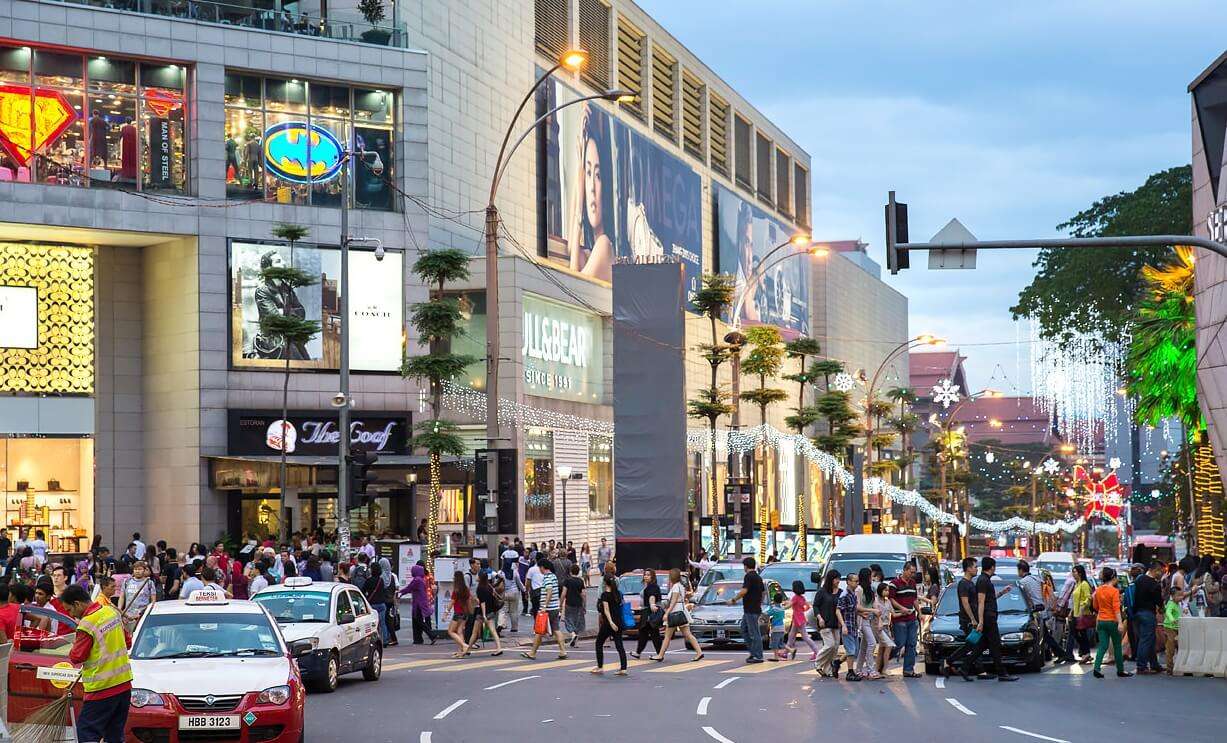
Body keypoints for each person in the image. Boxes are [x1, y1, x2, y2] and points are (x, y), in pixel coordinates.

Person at [60, 583, 132, 743]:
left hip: (102, 690)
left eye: (70, 610)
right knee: (114, 735)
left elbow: (77, 657)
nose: (72, 615)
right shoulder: (111, 612)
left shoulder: (86, 624)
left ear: (77, 603)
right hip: (124, 685)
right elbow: (128, 643)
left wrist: (72, 647)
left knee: (87, 733)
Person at [565, 103, 614, 279]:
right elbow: (572, 249)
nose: (591, 187)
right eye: (587, 173)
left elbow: (573, 285)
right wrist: (579, 169)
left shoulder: (604, 246)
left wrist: (579, 211)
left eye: (598, 175)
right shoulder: (588, 252)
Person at [959, 557, 1019, 682]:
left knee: (982, 645)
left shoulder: (985, 580)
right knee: (995, 644)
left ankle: (964, 667)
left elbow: (988, 600)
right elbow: (981, 602)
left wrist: (1002, 592)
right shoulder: (982, 581)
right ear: (992, 567)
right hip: (988, 618)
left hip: (989, 616)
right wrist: (980, 621)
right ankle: (1002, 673)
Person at [1017, 559, 1072, 663]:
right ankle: (1061, 654)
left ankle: (1061, 654)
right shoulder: (1037, 579)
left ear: (1020, 570)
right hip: (1044, 610)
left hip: (1035, 612)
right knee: (1046, 636)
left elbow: (1025, 598)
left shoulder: (1023, 582)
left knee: (1042, 637)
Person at [652, 567, 704, 662]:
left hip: (675, 612)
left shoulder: (676, 587)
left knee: (668, 636)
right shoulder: (680, 585)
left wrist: (666, 613)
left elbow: (673, 602)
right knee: (688, 634)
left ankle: (660, 655)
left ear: (672, 577)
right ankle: (699, 652)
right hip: (681, 611)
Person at [521, 559, 568, 660]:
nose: (539, 570)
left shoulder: (547, 578)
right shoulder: (554, 576)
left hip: (547, 609)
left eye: (540, 567)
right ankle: (563, 651)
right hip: (555, 607)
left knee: (539, 631)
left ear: (543, 567)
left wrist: (544, 606)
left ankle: (532, 653)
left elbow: (549, 591)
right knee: (556, 629)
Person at [1092, 566, 1132, 679]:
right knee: (1117, 646)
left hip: (1101, 621)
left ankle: (1096, 668)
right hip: (1112, 621)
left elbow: (1095, 606)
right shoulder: (1114, 591)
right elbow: (1116, 609)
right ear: (1113, 577)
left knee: (1102, 646)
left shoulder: (1098, 590)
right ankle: (1120, 670)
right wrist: (1120, 623)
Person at [725, 557, 765, 663]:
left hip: (751, 609)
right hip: (752, 608)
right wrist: (759, 602)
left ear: (746, 566)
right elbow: (763, 592)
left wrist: (733, 600)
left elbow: (744, 591)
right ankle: (753, 652)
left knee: (754, 632)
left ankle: (758, 655)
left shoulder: (748, 576)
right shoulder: (758, 577)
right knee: (744, 629)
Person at [888, 561, 922, 678]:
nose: (912, 574)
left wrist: (920, 612)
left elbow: (914, 599)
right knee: (899, 643)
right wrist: (902, 609)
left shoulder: (912, 583)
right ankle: (884, 660)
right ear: (905, 570)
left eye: (914, 572)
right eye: (911, 572)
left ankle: (908, 670)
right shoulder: (894, 583)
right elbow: (891, 599)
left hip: (912, 618)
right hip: (899, 618)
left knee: (912, 644)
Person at [591, 574, 628, 675]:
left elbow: (606, 610)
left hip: (608, 623)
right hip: (619, 621)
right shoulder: (618, 594)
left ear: (604, 583)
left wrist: (611, 622)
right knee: (619, 645)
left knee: (599, 643)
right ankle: (623, 668)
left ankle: (600, 666)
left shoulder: (605, 595)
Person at [853, 567, 880, 680]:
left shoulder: (870, 589)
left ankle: (858, 670)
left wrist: (877, 611)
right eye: (871, 576)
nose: (872, 578)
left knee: (864, 647)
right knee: (872, 643)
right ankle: (871, 669)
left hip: (869, 619)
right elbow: (857, 606)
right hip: (862, 619)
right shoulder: (859, 589)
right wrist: (872, 611)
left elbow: (874, 603)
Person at [631, 569, 664, 659]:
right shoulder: (649, 586)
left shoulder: (652, 586)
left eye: (648, 575)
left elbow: (652, 597)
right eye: (645, 574)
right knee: (645, 633)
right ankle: (638, 652)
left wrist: (652, 605)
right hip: (646, 611)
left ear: (652, 576)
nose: (646, 576)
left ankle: (659, 654)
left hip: (649, 612)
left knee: (653, 633)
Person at [784, 580, 821, 660]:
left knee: (805, 637)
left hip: (797, 619)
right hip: (800, 618)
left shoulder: (795, 598)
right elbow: (807, 606)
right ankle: (785, 653)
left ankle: (817, 652)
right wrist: (801, 611)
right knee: (791, 636)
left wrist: (781, 608)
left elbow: (789, 605)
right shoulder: (802, 598)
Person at [469, 571, 503, 655]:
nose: (476, 577)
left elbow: (482, 602)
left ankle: (467, 649)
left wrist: (484, 615)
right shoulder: (489, 586)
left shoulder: (480, 588)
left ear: (480, 578)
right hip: (491, 611)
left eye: (478, 576)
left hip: (482, 613)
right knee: (493, 631)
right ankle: (499, 648)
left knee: (474, 632)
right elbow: (494, 595)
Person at [118, 560, 157, 635]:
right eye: (135, 569)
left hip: (142, 615)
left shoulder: (149, 583)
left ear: (144, 570)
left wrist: (146, 612)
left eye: (140, 569)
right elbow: (122, 597)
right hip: (127, 616)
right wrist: (120, 612)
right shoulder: (127, 582)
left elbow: (153, 601)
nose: (137, 571)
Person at [837, 572, 862, 681]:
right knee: (851, 650)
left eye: (857, 581)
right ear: (848, 581)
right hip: (847, 625)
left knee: (855, 650)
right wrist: (843, 625)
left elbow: (854, 609)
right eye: (855, 581)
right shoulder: (844, 595)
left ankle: (837, 662)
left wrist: (862, 614)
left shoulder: (853, 594)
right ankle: (850, 672)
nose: (857, 583)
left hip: (854, 625)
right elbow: (838, 610)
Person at [1070, 564, 1095, 663]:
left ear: (1080, 573)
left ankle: (1086, 654)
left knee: (1081, 634)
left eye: (1074, 571)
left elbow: (1088, 598)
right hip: (1076, 614)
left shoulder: (1084, 584)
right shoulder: (1077, 584)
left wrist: (1082, 606)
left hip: (1082, 614)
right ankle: (1086, 653)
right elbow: (1074, 600)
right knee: (1076, 633)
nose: (1073, 574)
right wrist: (1071, 612)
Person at [448, 570, 474, 657]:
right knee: (459, 631)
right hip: (465, 613)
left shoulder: (456, 590)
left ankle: (464, 645)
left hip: (458, 613)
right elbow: (469, 599)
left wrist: (446, 612)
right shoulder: (465, 589)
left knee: (451, 631)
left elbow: (452, 602)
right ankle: (461, 652)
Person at [561, 563, 586, 647]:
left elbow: (564, 593)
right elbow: (583, 594)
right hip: (578, 603)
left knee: (568, 620)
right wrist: (584, 605)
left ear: (570, 571)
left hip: (569, 603)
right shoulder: (580, 581)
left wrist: (560, 604)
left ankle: (572, 635)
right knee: (577, 621)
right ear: (578, 572)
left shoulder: (567, 581)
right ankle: (576, 642)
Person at [1162, 583, 1183, 674]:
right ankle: (1169, 668)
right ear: (1172, 596)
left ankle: (1176, 666)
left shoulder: (1177, 604)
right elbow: (1168, 612)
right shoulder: (1171, 603)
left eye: (1181, 595)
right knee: (1170, 648)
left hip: (1176, 628)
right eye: (1178, 595)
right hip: (1169, 628)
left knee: (1177, 646)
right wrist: (1172, 619)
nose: (1181, 597)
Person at [765, 590, 787, 660]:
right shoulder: (782, 609)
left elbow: (766, 613)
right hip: (782, 627)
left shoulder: (774, 609)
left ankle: (776, 657)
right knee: (780, 643)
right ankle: (791, 650)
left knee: (775, 643)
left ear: (774, 600)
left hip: (775, 628)